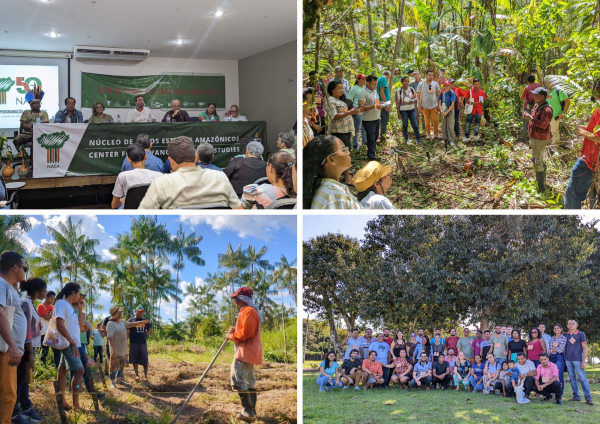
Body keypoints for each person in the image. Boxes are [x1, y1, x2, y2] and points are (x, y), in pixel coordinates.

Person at [139, 136, 242, 209]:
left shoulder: (159, 183)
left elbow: (142, 217)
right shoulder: (220, 176)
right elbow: (238, 210)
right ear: (196, 157)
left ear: (170, 160)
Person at [13, 278, 46, 423]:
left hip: (31, 345)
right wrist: (30, 352)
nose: (45, 294)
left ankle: (25, 407)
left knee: (25, 378)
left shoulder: (31, 303)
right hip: (26, 346)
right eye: (44, 291)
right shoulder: (25, 303)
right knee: (20, 379)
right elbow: (25, 328)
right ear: (37, 291)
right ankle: (15, 412)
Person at [227, 287, 263, 419]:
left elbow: (246, 334)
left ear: (243, 299)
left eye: (236, 298)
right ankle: (250, 411)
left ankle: (248, 411)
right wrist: (234, 331)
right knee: (248, 381)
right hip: (250, 351)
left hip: (245, 352)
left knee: (237, 379)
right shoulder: (247, 311)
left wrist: (231, 336)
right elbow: (244, 330)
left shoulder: (249, 311)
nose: (234, 301)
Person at [0, 252, 28, 423]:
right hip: (5, 351)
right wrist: (12, 345)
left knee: (7, 395)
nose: (25, 271)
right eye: (25, 267)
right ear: (15, 267)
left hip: (7, 350)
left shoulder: (8, 287)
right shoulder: (2, 284)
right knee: (7, 396)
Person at [304, 135, 363, 209]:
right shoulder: (333, 196)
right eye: (343, 149)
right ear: (331, 159)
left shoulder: (325, 190)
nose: (348, 152)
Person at [54, 282, 85, 411]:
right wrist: (72, 343)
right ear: (74, 292)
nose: (80, 297)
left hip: (71, 343)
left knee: (62, 370)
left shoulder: (71, 307)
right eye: (79, 293)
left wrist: (79, 309)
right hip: (68, 344)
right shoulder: (61, 303)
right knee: (79, 371)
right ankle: (76, 404)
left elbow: (80, 327)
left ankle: (62, 401)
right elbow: (59, 324)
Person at [564, 102, 600, 208]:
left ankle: (570, 217)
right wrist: (586, 129)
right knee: (595, 197)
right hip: (594, 162)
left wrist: (583, 133)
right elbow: (597, 131)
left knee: (573, 195)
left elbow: (598, 138)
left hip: (590, 161)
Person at [325, 80, 360, 183]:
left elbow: (344, 112)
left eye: (342, 88)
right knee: (344, 153)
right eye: (339, 88)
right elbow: (334, 116)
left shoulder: (339, 100)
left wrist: (352, 111)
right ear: (332, 90)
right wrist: (350, 112)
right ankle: (347, 178)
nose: (342, 90)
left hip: (346, 129)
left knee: (347, 151)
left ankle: (346, 172)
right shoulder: (330, 101)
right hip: (339, 131)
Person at [111, 143, 163, 208]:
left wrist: (125, 199)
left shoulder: (123, 176)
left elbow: (114, 205)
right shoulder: (159, 176)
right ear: (146, 156)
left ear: (129, 160)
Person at [523, 87, 553, 192]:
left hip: (540, 138)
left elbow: (544, 125)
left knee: (538, 161)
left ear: (542, 97)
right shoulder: (537, 106)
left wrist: (530, 118)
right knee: (537, 159)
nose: (534, 97)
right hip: (535, 137)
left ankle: (541, 187)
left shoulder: (547, 109)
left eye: (536, 95)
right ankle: (540, 182)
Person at [564, 319, 593, 405]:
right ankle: (576, 396)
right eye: (570, 324)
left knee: (582, 378)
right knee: (572, 378)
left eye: (573, 324)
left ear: (576, 325)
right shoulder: (566, 335)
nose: (571, 325)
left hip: (578, 360)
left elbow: (585, 348)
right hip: (568, 359)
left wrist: (583, 361)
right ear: (567, 326)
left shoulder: (581, 334)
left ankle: (588, 398)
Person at [358, 75, 385, 162]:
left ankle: (371, 152)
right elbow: (361, 107)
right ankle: (371, 156)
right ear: (368, 83)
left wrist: (381, 103)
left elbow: (376, 102)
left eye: (376, 85)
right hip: (368, 120)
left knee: (376, 136)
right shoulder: (362, 92)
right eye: (373, 84)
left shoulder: (374, 91)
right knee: (371, 138)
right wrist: (375, 106)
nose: (375, 86)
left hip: (376, 117)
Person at [127, 306, 151, 382]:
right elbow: (128, 331)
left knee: (145, 360)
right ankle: (137, 375)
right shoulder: (131, 320)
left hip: (143, 342)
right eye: (139, 311)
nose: (140, 313)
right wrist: (126, 341)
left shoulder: (145, 320)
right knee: (134, 359)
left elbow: (150, 330)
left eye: (142, 312)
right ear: (135, 311)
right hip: (133, 342)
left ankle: (145, 376)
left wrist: (145, 334)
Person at [106, 306, 128, 389]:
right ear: (117, 314)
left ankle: (119, 379)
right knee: (113, 367)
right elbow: (110, 337)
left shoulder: (122, 322)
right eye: (120, 312)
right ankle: (112, 382)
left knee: (121, 365)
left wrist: (142, 322)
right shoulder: (110, 324)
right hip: (116, 350)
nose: (121, 313)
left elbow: (130, 324)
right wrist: (112, 349)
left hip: (123, 349)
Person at [545, 76, 571, 145]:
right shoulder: (547, 90)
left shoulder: (559, 90)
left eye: (548, 83)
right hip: (546, 116)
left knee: (554, 132)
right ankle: (548, 145)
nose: (547, 85)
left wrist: (563, 114)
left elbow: (567, 102)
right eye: (546, 83)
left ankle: (554, 147)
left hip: (555, 115)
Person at [395, 76, 421, 145]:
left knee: (414, 124)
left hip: (411, 109)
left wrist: (413, 100)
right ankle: (406, 139)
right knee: (405, 124)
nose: (407, 83)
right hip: (403, 110)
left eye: (408, 81)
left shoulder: (411, 89)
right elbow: (397, 103)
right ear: (402, 82)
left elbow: (415, 97)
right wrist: (398, 113)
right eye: (405, 81)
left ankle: (418, 138)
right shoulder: (399, 91)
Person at [418, 70, 441, 140]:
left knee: (435, 120)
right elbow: (417, 95)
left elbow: (438, 94)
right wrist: (419, 105)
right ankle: (428, 134)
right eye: (429, 75)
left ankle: (436, 134)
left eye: (432, 75)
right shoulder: (421, 84)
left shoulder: (435, 84)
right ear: (426, 75)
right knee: (426, 121)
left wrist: (439, 105)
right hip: (424, 106)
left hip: (434, 106)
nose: (431, 77)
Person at [520, 74, 542, 143]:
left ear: (528, 80)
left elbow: (522, 97)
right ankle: (534, 138)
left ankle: (522, 138)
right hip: (537, 106)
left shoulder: (527, 88)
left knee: (525, 122)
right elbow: (540, 81)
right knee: (535, 121)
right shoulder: (538, 85)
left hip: (527, 106)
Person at [348, 74, 367, 150]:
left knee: (364, 127)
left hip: (364, 110)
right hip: (357, 110)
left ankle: (364, 141)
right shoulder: (354, 89)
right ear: (358, 79)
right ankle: (355, 144)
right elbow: (349, 100)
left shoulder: (365, 88)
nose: (363, 81)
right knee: (356, 128)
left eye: (364, 79)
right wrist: (353, 109)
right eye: (362, 79)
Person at [38, 290, 56, 366]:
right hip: (43, 332)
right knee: (44, 351)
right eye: (51, 298)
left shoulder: (53, 307)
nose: (52, 300)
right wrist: (52, 315)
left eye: (53, 299)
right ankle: (43, 366)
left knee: (56, 350)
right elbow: (46, 317)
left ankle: (57, 366)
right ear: (46, 297)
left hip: (52, 332)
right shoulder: (41, 306)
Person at [549, 324, 567, 397]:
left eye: (558, 328)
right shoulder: (552, 338)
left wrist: (552, 350)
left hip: (559, 357)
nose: (556, 329)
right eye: (555, 328)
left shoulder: (564, 338)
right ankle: (550, 392)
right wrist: (552, 350)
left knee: (559, 375)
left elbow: (561, 349)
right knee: (550, 374)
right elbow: (550, 348)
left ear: (561, 329)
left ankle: (560, 393)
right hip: (551, 357)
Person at [377, 70, 392, 142]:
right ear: (388, 75)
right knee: (384, 120)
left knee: (383, 120)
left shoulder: (379, 79)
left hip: (380, 103)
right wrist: (385, 105)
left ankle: (381, 136)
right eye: (389, 77)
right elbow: (381, 91)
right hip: (382, 104)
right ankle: (382, 137)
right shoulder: (383, 79)